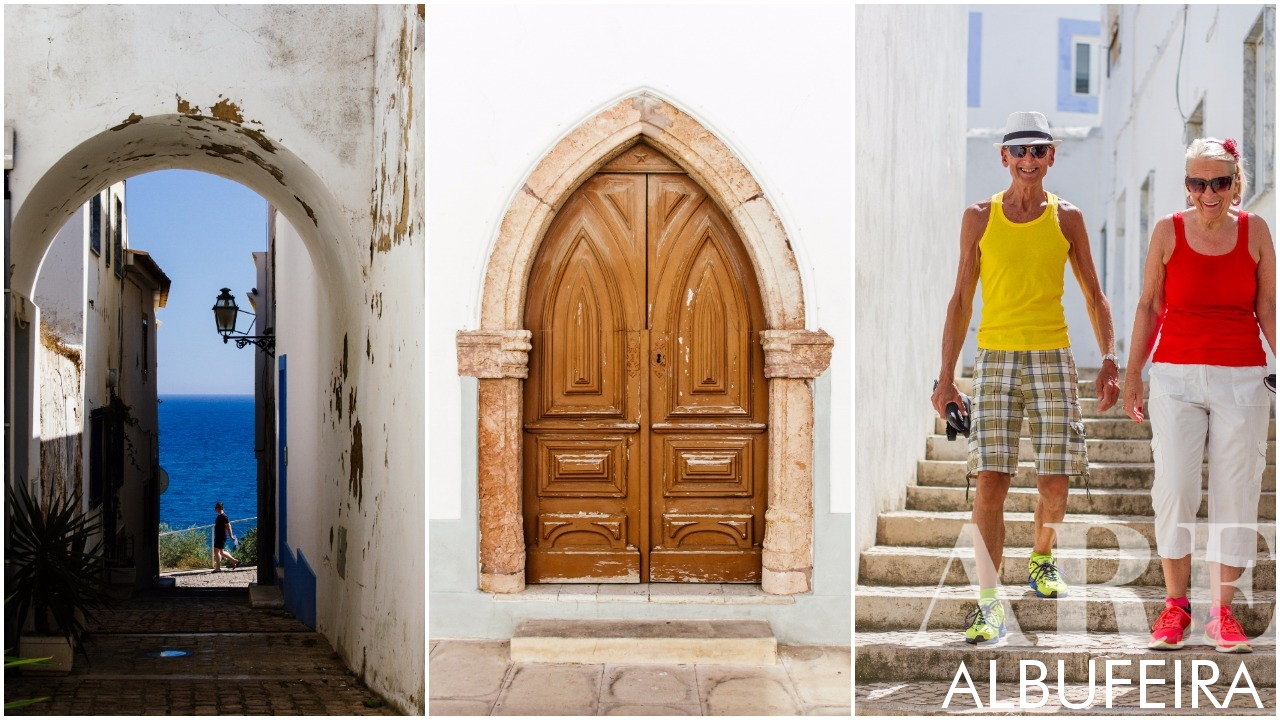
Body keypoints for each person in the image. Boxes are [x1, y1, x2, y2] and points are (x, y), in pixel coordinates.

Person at [932, 111, 1120, 644]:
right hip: (996, 358)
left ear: (1051, 156)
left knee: (1054, 483)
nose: (1029, 160)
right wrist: (946, 378)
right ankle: (988, 602)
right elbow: (961, 299)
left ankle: (1041, 556)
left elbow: (1094, 294)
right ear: (1004, 157)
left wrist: (1110, 359)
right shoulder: (979, 217)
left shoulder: (1067, 218)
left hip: (1052, 357)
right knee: (991, 480)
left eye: (1039, 150)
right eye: (1020, 151)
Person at [1123, 137, 1275, 654]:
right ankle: (1176, 606)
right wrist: (1133, 373)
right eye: (1198, 182)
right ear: (1187, 184)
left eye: (1219, 182)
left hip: (1242, 378)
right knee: (1175, 487)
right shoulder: (1168, 230)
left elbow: (1268, 306)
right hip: (1175, 377)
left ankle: (1222, 614)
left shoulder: (1256, 231)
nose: (1209, 193)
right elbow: (1149, 304)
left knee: (1237, 490)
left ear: (1235, 184)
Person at [212, 502, 240, 571]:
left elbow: (229, 527)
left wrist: (231, 536)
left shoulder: (224, 516)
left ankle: (218, 568)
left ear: (219, 508)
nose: (215, 509)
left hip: (220, 537)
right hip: (219, 536)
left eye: (216, 508)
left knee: (216, 552)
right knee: (221, 552)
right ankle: (234, 561)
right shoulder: (220, 516)